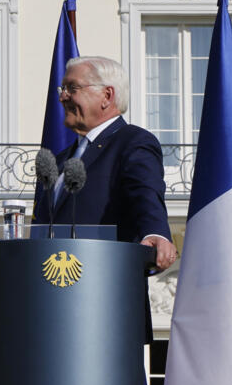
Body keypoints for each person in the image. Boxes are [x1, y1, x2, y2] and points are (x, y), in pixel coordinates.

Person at [33, 55, 177, 272]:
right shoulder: (60, 160)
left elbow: (145, 193)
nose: (63, 97)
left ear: (106, 96)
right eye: (62, 89)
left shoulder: (132, 142)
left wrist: (155, 232)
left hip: (108, 290)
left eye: (72, 88)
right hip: (52, 294)